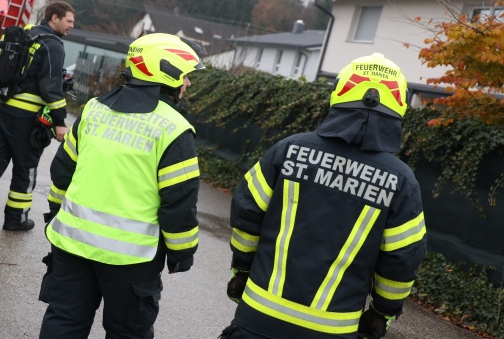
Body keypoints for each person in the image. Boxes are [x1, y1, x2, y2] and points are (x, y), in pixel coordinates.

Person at [220, 53, 427, 339]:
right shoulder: (401, 181)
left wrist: (242, 270)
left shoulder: (288, 149)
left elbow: (246, 213)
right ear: (399, 104)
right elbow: (403, 258)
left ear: (340, 92)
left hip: (259, 317)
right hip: (332, 329)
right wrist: (382, 312)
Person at [38, 33, 204, 338]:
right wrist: (182, 254)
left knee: (63, 322)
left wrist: (54, 215)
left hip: (72, 244)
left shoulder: (93, 109)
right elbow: (178, 202)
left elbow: (62, 172)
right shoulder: (175, 129)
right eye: (185, 75)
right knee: (127, 333)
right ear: (165, 71)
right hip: (131, 260)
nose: (188, 83)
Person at [0, 0, 75, 231]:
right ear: (54, 18)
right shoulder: (52, 44)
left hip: (2, 109)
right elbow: (50, 87)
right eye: (69, 21)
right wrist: (60, 121)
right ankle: (16, 219)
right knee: (25, 168)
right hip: (27, 119)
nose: (71, 26)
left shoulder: (27, 36)